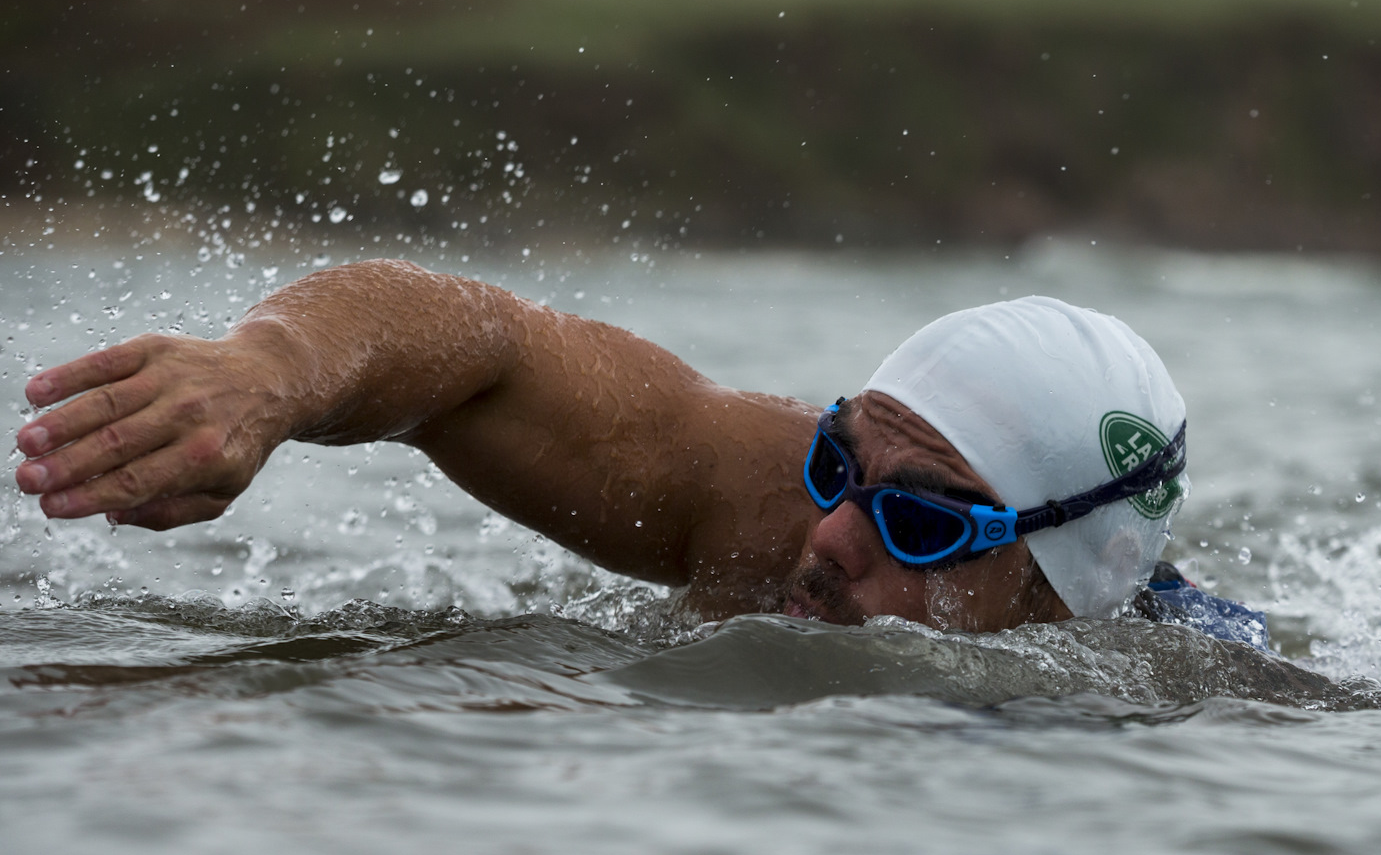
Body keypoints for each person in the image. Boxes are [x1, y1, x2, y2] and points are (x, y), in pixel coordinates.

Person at [13, 260, 1258, 642]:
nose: (826, 536)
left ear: (1060, 592)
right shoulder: (753, 495)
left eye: (920, 522)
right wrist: (268, 370)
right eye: (841, 467)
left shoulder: (1169, 703)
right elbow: (492, 346)